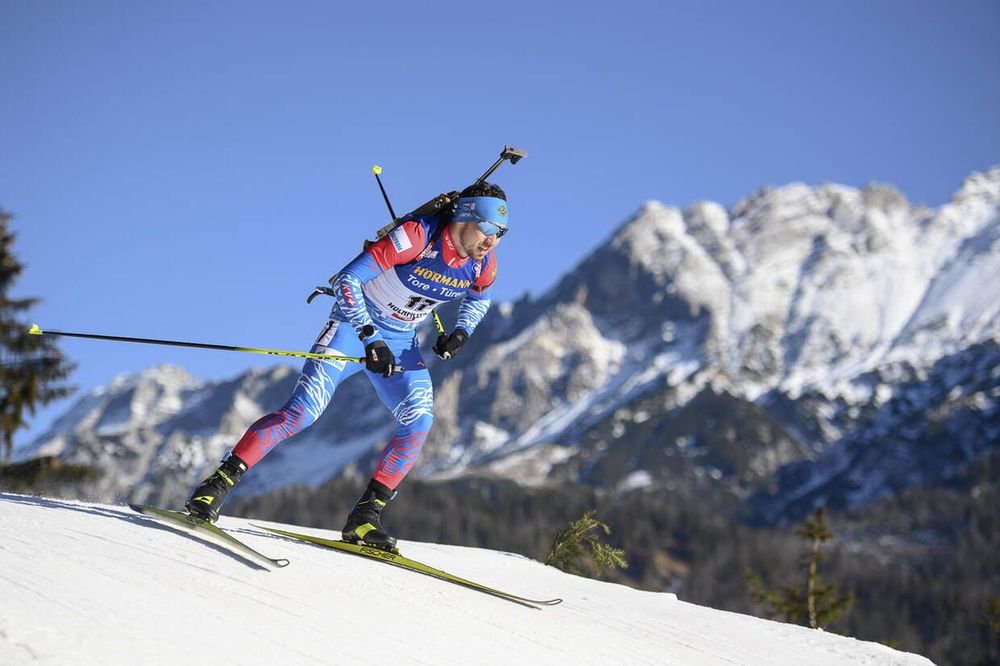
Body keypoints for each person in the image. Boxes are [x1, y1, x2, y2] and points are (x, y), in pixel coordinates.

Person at [183, 182, 509, 551]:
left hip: (401, 342)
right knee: (302, 413)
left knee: (420, 420)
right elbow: (347, 280)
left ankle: (364, 519)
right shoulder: (417, 237)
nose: (492, 240)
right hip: (353, 328)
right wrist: (371, 338)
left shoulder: (483, 263)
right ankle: (213, 487)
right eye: (488, 228)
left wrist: (461, 331)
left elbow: (480, 299)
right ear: (465, 217)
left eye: (501, 233)